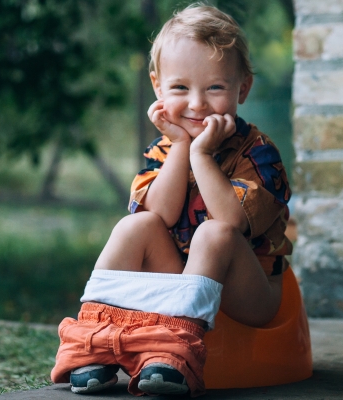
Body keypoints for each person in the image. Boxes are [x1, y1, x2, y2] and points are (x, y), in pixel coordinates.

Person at [50, 3, 292, 397]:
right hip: (181, 282)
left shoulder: (259, 152)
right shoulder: (162, 149)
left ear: (242, 88)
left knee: (214, 234)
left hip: (249, 293)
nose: (196, 104)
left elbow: (230, 221)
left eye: (215, 87)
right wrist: (181, 146)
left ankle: (173, 351)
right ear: (158, 86)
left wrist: (201, 155)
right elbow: (159, 214)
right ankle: (92, 341)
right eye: (181, 88)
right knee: (137, 224)